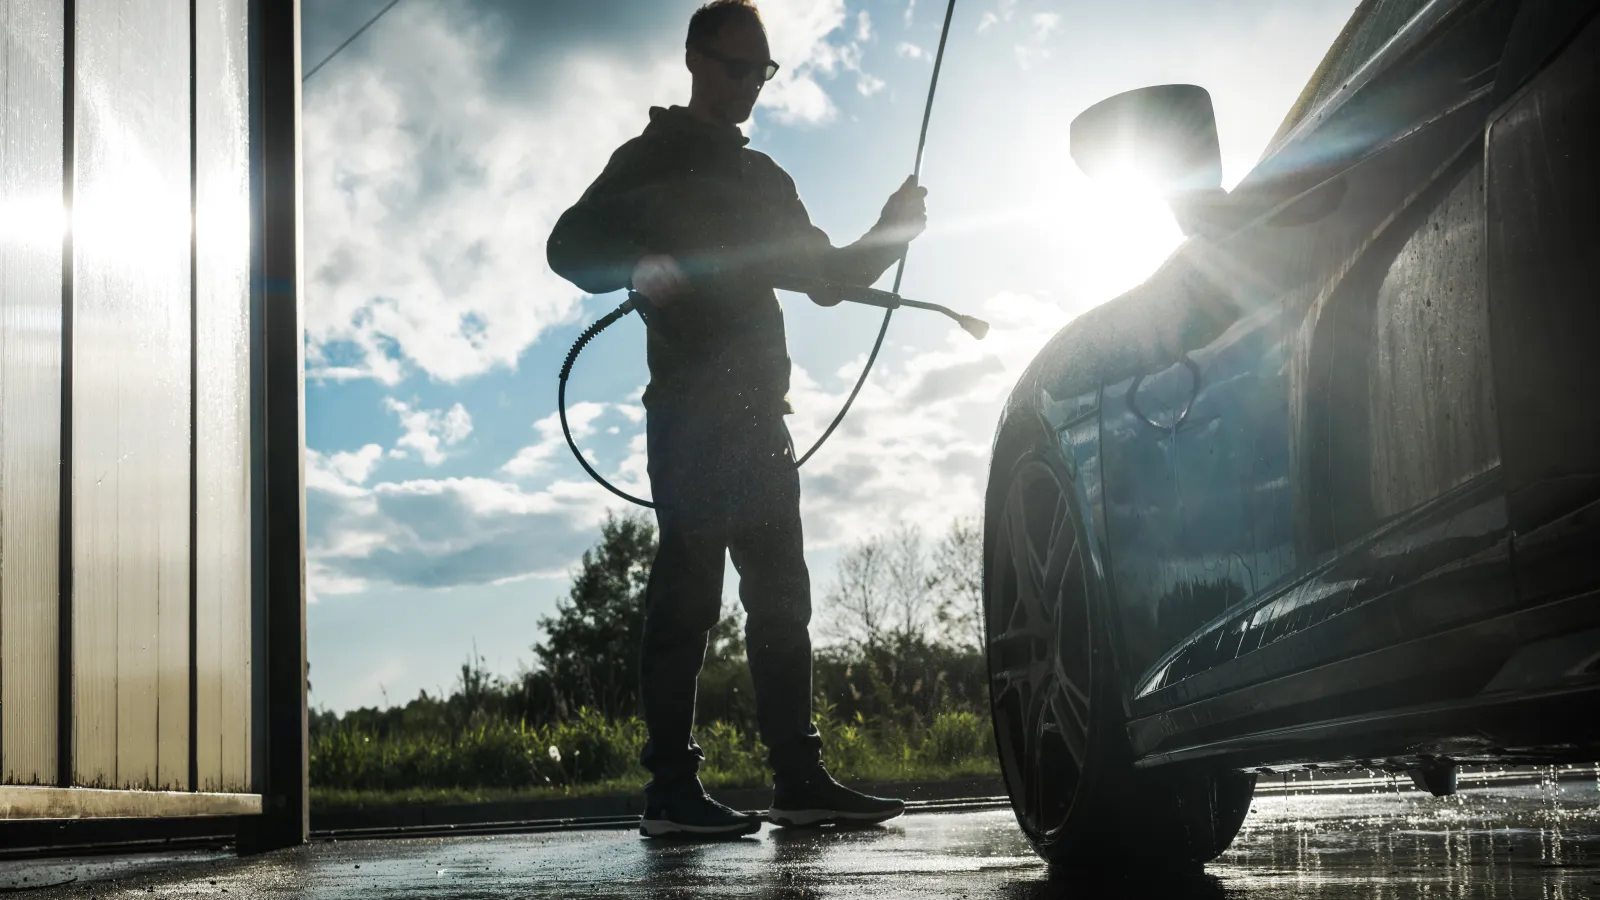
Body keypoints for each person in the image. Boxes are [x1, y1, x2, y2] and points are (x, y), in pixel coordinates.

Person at [546, 0, 929, 838]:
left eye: (762, 71)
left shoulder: (765, 183)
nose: (749, 84)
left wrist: (893, 231)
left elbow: (828, 277)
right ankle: (670, 794)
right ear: (694, 59)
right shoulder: (646, 159)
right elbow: (568, 245)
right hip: (688, 412)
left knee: (781, 597)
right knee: (688, 596)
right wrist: (635, 261)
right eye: (735, 67)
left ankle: (799, 778)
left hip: (762, 416)